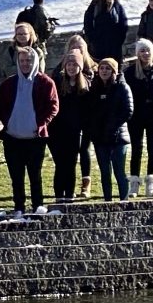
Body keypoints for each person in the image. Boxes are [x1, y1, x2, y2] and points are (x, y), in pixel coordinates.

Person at [0, 46, 58, 219]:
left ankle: (38, 205)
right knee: (16, 176)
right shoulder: (9, 83)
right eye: (22, 61)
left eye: (28, 61)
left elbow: (53, 106)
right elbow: (0, 106)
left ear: (35, 61)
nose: (25, 64)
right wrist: (8, 123)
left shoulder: (46, 82)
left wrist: (39, 123)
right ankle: (19, 207)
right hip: (12, 138)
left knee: (35, 174)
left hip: (35, 138)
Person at [86, 59, 134, 202]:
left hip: (119, 137)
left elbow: (128, 110)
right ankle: (107, 202)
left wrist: (112, 126)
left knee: (119, 171)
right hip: (100, 137)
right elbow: (89, 112)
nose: (104, 71)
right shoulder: (94, 88)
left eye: (108, 68)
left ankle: (124, 202)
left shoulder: (122, 87)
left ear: (114, 71)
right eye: (102, 68)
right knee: (105, 172)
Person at [49, 51, 90, 204]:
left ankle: (69, 195)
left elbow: (86, 111)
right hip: (56, 131)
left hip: (74, 131)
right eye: (69, 64)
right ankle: (59, 195)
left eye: (75, 65)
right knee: (60, 163)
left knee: (71, 163)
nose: (71, 68)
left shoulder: (84, 85)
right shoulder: (57, 82)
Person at [124, 40, 153, 198]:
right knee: (136, 148)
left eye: (148, 51)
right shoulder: (130, 72)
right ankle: (134, 183)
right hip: (136, 115)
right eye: (142, 51)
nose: (145, 54)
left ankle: (151, 183)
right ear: (137, 53)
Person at [62, 35, 98, 197]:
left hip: (88, 117)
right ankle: (67, 184)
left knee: (85, 149)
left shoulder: (94, 69)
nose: (76, 50)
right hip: (69, 119)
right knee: (69, 152)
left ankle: (86, 185)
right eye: (73, 48)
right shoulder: (62, 70)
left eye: (80, 48)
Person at [82, 0, 128, 64]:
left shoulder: (118, 7)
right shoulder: (93, 7)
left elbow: (123, 25)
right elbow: (87, 26)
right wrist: (93, 42)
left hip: (114, 48)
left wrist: (119, 41)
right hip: (97, 49)